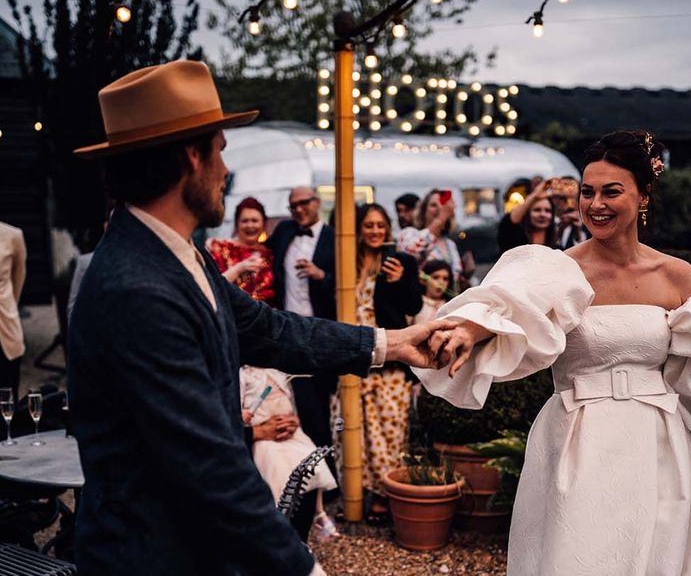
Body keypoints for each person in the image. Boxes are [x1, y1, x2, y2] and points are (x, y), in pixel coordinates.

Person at [67, 60, 450, 576]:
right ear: (191, 159)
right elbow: (209, 466)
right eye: (221, 152)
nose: (226, 171)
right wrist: (302, 568)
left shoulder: (179, 254)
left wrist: (392, 343)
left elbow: (272, 330)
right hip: (149, 555)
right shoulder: (136, 287)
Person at [418, 130, 691, 575]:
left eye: (611, 191)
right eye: (587, 192)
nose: (595, 203)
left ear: (643, 196)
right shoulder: (559, 270)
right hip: (577, 440)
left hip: (658, 444)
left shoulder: (676, 275)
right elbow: (508, 305)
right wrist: (468, 329)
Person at [345, 203, 422, 524]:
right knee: (358, 432)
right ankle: (355, 492)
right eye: (369, 226)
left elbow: (413, 305)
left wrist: (401, 280)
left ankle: (383, 495)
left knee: (389, 432)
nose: (375, 231)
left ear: (388, 230)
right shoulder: (347, 262)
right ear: (359, 229)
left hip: (390, 359)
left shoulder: (401, 261)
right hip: (353, 359)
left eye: (380, 226)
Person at [267, 186, 338, 489]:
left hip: (324, 332)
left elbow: (352, 279)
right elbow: (259, 251)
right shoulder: (284, 232)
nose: (298, 210)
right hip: (289, 333)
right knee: (304, 407)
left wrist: (321, 276)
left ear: (317, 203)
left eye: (303, 203)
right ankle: (314, 475)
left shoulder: (335, 237)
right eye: (293, 205)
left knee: (324, 406)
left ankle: (329, 476)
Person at [239, 365, 338, 542]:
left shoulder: (278, 371)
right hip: (262, 438)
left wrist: (293, 421)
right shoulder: (243, 374)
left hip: (289, 432)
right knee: (276, 470)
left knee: (312, 461)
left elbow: (291, 402)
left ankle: (319, 512)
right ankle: (280, 524)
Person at [207, 197, 275, 304]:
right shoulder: (219, 248)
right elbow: (210, 287)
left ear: (263, 223)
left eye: (255, 220)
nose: (250, 225)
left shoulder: (270, 254)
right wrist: (238, 269)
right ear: (237, 224)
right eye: (244, 221)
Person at [397, 189, 462, 283]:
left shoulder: (450, 244)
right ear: (423, 210)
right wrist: (441, 218)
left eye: (443, 205)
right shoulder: (410, 233)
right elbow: (410, 254)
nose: (440, 209)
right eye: (433, 205)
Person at [0, 221, 26, 399]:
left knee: (8, 398)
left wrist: (9, 306)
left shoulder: (12, 235)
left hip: (5, 326)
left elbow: (18, 278)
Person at [497, 179, 558, 252]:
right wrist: (534, 196)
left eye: (547, 211)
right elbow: (509, 222)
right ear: (527, 214)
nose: (542, 215)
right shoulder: (515, 240)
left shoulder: (557, 249)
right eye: (537, 210)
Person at [412, 259, 454, 325]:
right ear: (423, 280)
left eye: (445, 279)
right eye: (435, 277)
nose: (441, 282)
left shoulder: (451, 306)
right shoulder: (414, 303)